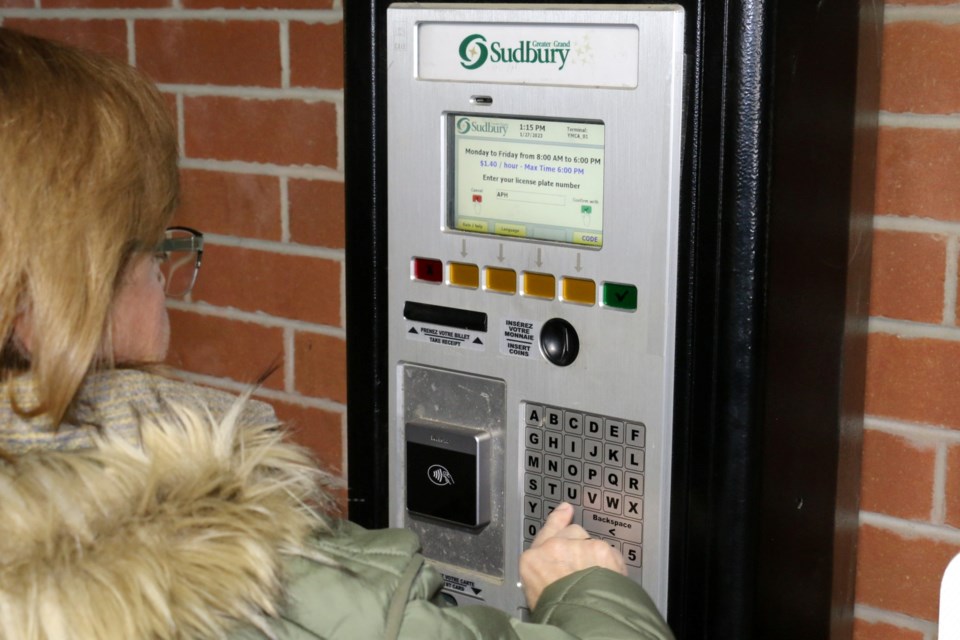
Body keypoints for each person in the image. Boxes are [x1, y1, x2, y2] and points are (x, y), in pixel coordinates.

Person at [0, 27, 674, 640]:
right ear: (55, 299)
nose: (167, 280)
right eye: (154, 254)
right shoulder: (245, 584)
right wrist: (586, 587)